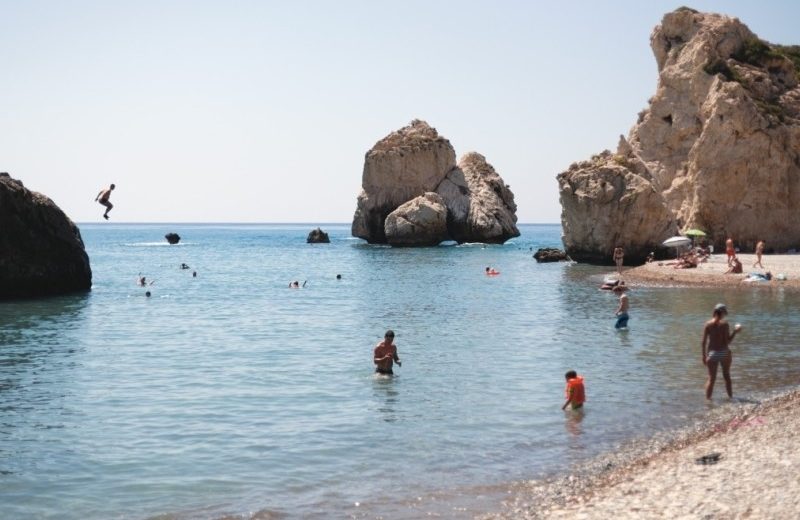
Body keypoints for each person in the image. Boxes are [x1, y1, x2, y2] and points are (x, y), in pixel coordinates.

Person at [702, 303, 742, 399]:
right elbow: (728, 342)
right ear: (723, 313)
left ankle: (708, 403)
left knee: (711, 379)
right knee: (727, 376)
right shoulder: (725, 324)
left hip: (712, 354)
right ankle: (731, 398)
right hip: (724, 353)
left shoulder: (708, 324)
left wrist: (703, 356)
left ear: (714, 312)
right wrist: (735, 332)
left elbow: (703, 342)